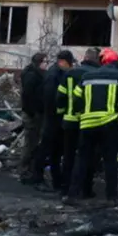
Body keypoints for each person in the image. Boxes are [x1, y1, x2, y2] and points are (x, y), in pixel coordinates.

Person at [68, 48, 118, 204]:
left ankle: (73, 194)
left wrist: (81, 114)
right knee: (110, 161)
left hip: (87, 124)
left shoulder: (86, 77)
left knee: (82, 159)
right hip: (108, 123)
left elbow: (76, 99)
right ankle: (111, 197)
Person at [56, 48, 102, 200]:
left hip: (69, 122)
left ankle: (65, 188)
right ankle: (86, 189)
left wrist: (62, 112)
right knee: (87, 157)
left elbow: (61, 96)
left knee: (68, 156)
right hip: (88, 122)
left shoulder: (70, 73)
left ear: (84, 57)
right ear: (97, 59)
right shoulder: (97, 75)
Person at [39, 51, 73, 191]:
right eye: (69, 63)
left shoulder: (56, 73)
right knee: (47, 149)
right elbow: (51, 98)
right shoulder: (53, 75)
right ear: (63, 61)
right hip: (53, 119)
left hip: (54, 119)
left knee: (55, 151)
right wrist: (58, 113)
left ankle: (56, 180)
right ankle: (38, 177)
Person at [19, 53, 47, 184]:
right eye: (45, 61)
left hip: (34, 113)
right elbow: (28, 96)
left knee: (33, 142)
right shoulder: (32, 76)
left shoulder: (34, 73)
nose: (47, 64)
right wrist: (33, 112)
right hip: (32, 115)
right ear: (39, 62)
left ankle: (29, 169)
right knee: (30, 143)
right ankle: (25, 170)